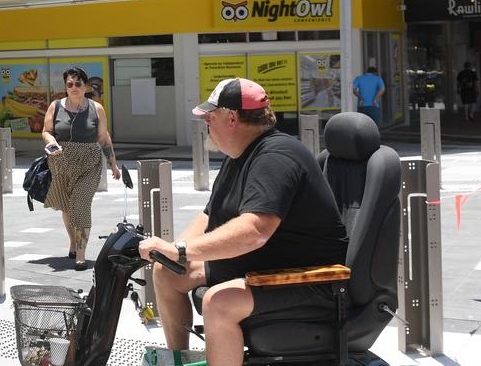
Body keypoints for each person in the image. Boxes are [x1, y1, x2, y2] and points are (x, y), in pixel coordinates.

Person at [137, 78, 348, 366]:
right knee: (168, 272)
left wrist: (184, 250)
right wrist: (174, 252)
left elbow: (255, 232)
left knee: (219, 302)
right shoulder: (239, 154)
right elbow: (210, 214)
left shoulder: (276, 156)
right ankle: (178, 359)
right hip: (267, 265)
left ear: (232, 118)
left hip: (312, 280)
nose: (207, 125)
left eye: (210, 118)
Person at [41, 66, 120, 270]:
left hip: (89, 163)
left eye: (78, 83)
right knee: (67, 208)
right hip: (62, 163)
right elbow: (46, 131)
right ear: (66, 87)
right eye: (70, 84)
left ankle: (81, 254)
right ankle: (73, 243)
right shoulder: (55, 106)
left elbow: (103, 137)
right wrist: (51, 142)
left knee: (81, 205)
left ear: (85, 86)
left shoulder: (96, 108)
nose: (74, 87)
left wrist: (113, 164)